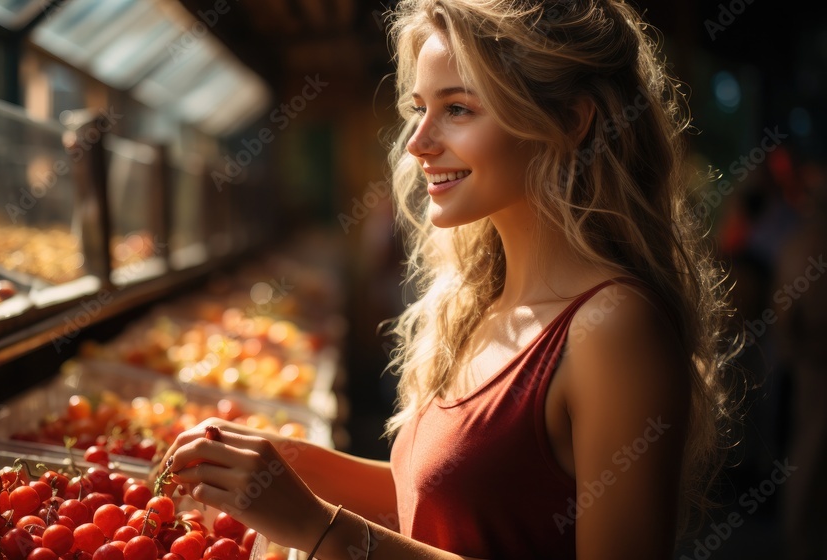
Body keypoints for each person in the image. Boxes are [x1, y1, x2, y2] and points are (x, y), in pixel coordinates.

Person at [161, 0, 735, 558]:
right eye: (420, 109)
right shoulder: (483, 299)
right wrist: (289, 462)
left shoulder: (614, 329)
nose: (417, 142)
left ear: (569, 121)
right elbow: (448, 502)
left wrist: (322, 530)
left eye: (457, 108)